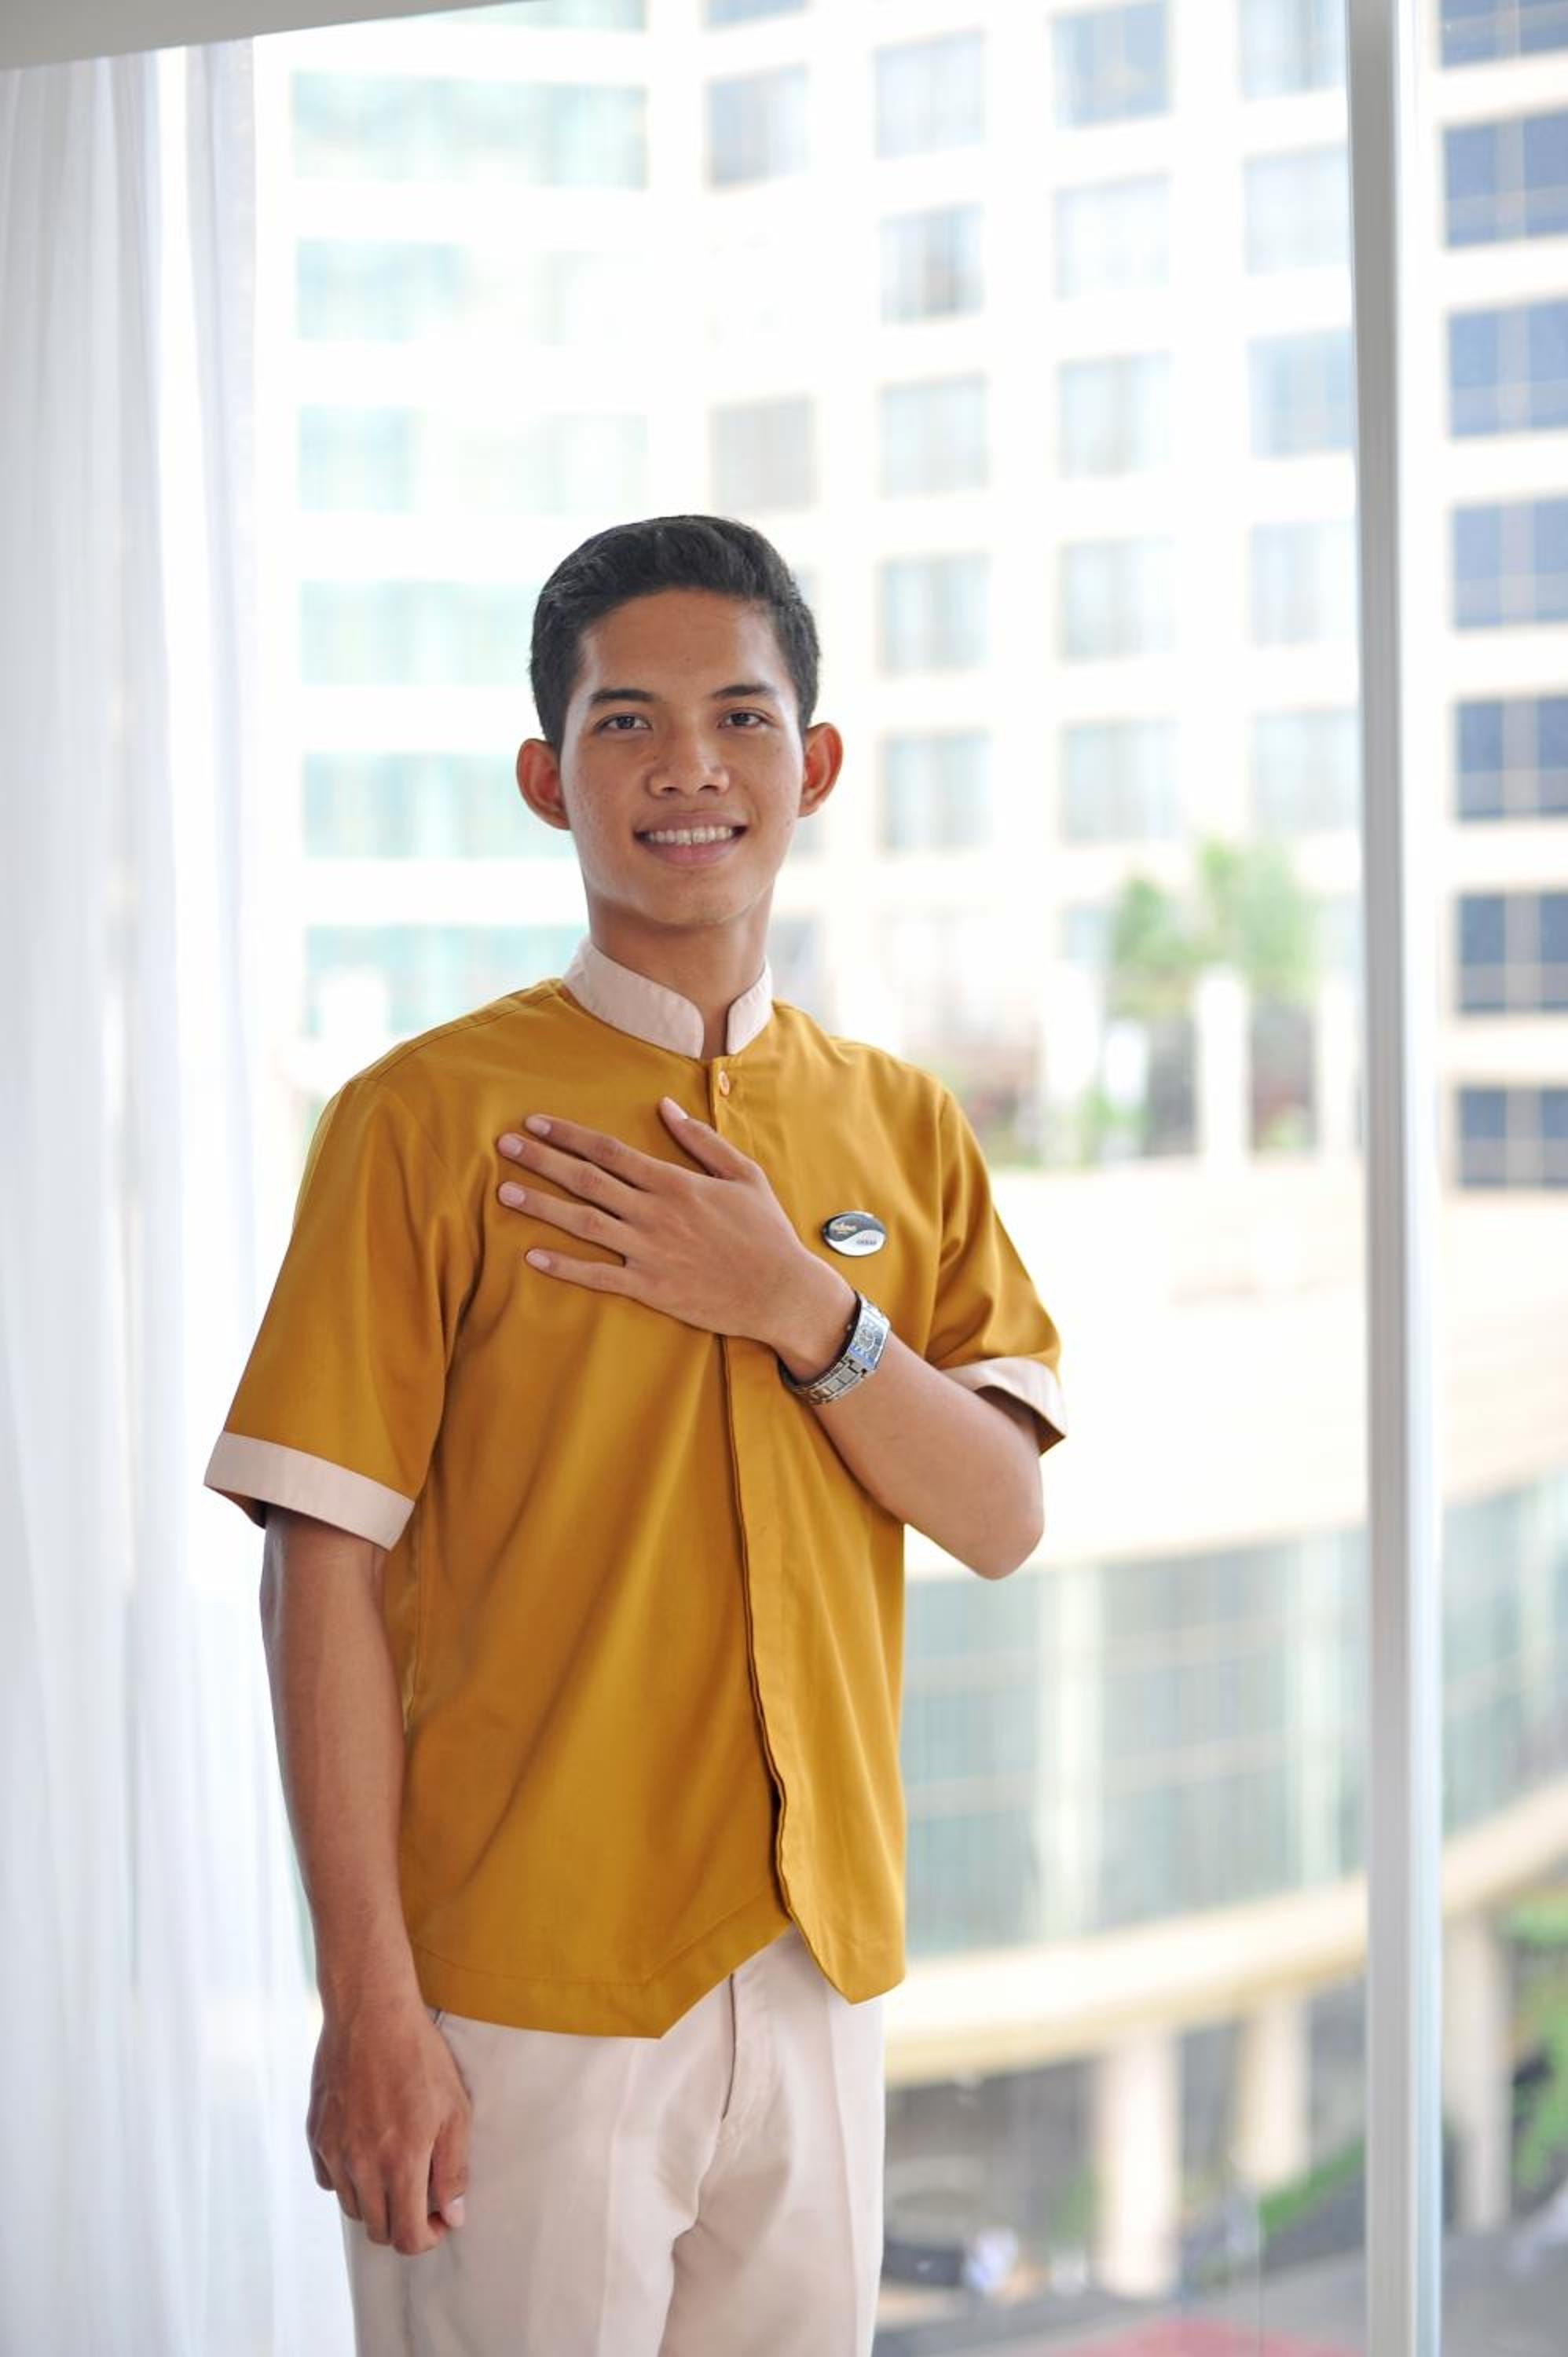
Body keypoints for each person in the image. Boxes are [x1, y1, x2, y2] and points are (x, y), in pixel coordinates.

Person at [204, 513, 1068, 2356]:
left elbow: (999, 1514)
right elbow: (316, 1573)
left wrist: (801, 1306)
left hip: (819, 1973)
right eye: (626, 723)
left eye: (738, 717)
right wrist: (368, 2002)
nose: (688, 766)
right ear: (547, 778)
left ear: (811, 763)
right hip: (516, 1994)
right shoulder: (420, 1121)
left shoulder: (902, 1127)